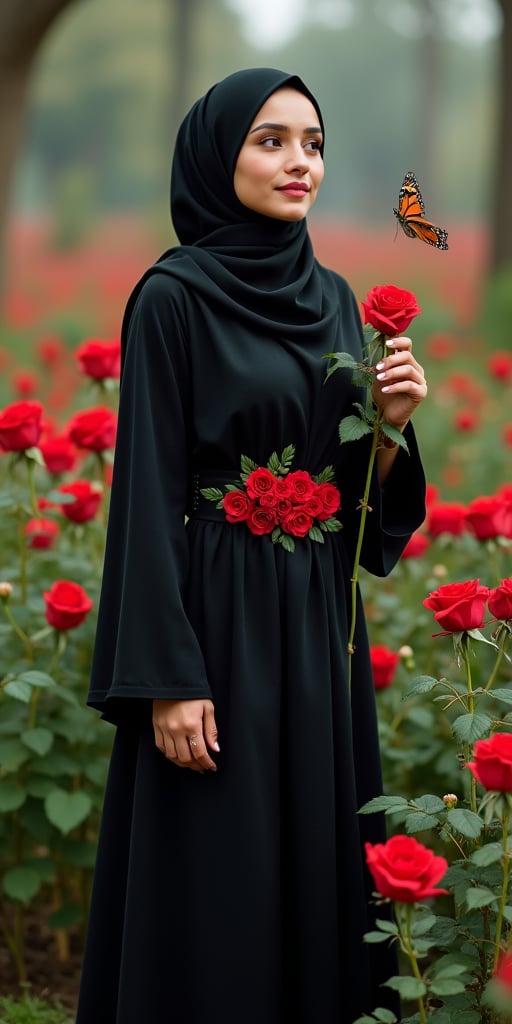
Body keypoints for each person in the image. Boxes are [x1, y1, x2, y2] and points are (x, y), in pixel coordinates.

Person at [75, 67, 427, 1024]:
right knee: (219, 852)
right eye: (271, 140)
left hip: (317, 620)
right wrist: (167, 677)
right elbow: (145, 493)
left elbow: (362, 518)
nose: (299, 161)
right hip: (217, 620)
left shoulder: (336, 297)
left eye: (312, 143)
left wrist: (390, 428)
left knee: (315, 844)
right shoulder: (172, 299)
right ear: (216, 152)